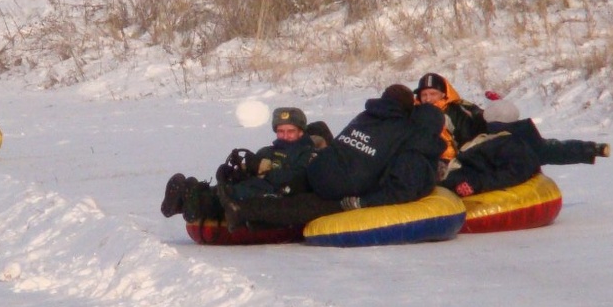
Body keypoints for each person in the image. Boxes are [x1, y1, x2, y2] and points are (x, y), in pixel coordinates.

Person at [219, 84, 445, 231]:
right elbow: (402, 185)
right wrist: (364, 201)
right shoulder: (408, 135)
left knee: (285, 185)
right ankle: (245, 211)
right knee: (308, 207)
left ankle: (229, 197)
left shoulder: (366, 116)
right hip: (342, 186)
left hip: (320, 166)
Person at [160, 106, 321, 224]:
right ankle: (187, 196)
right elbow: (252, 169)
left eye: (290, 131)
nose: (284, 136)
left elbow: (297, 179)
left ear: (301, 131)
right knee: (228, 186)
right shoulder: (268, 150)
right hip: (253, 186)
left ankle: (193, 203)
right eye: (280, 131)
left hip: (273, 195)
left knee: (232, 195)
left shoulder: (308, 154)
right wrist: (239, 170)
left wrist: (266, 170)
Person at [482, 97, 610, 165]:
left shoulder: (496, 141)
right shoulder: (526, 134)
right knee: (554, 149)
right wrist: (590, 149)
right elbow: (559, 150)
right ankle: (594, 148)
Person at [414, 71, 488, 164]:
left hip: (453, 163)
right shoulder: (414, 113)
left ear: (443, 94)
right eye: (424, 95)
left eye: (433, 94)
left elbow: (468, 142)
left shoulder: (457, 111)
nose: (428, 99)